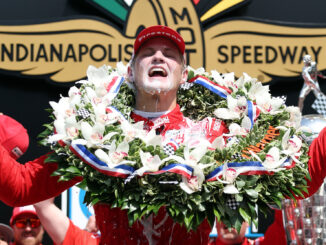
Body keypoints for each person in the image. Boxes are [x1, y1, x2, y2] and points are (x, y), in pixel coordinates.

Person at [0, 25, 326, 244]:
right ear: (130, 71)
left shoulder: (217, 131)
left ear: (184, 75)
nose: (159, 56)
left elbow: (299, 181)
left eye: (169, 54)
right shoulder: (94, 134)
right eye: (148, 52)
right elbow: (21, 187)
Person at [33, 198, 100, 245]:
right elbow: (43, 203)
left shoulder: (84, 240)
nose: (28, 228)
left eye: (34, 222)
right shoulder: (84, 240)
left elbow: (43, 204)